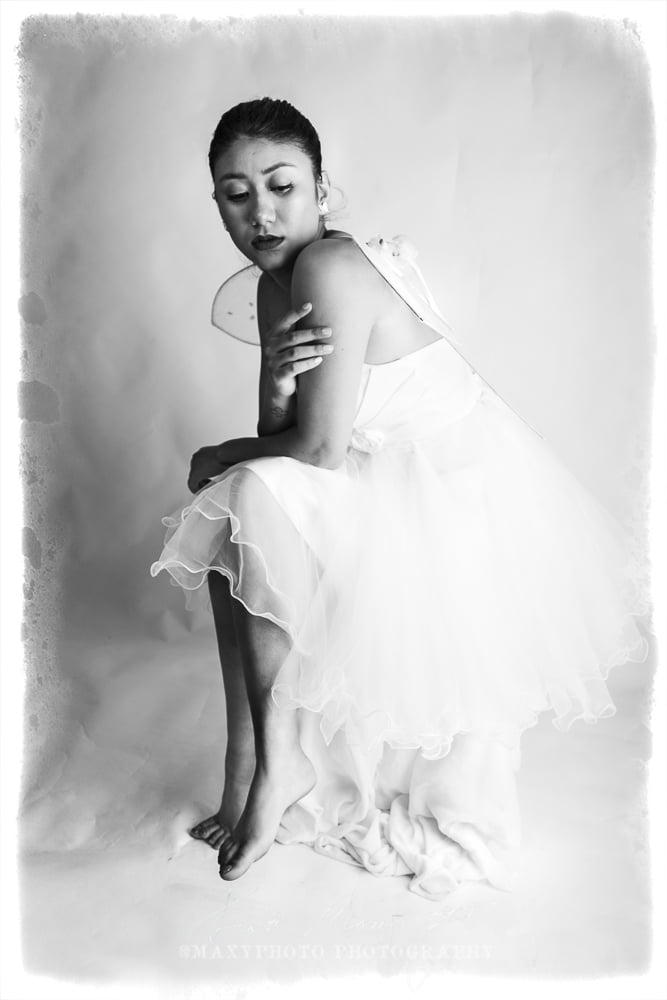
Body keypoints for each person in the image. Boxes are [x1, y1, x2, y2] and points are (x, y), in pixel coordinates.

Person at [150, 97, 650, 900]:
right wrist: (275, 381)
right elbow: (290, 431)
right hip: (370, 473)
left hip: (446, 495)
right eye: (236, 194)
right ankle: (251, 760)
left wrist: (220, 452)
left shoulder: (327, 268)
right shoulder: (275, 284)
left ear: (322, 190)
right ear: (216, 204)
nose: (262, 211)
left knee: (235, 484)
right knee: (238, 506)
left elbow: (312, 450)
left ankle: (278, 762)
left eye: (281, 185)